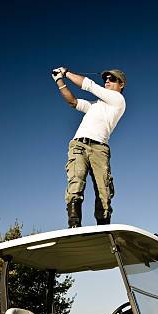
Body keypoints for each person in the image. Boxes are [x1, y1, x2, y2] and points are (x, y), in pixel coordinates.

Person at [52, 67, 127, 227]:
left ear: (121, 84)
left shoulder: (118, 101)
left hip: (99, 148)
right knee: (75, 182)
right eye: (105, 78)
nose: (107, 80)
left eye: (111, 79)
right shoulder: (95, 105)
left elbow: (90, 86)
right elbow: (73, 102)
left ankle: (103, 226)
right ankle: (74, 224)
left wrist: (66, 73)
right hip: (78, 144)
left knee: (103, 190)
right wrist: (59, 80)